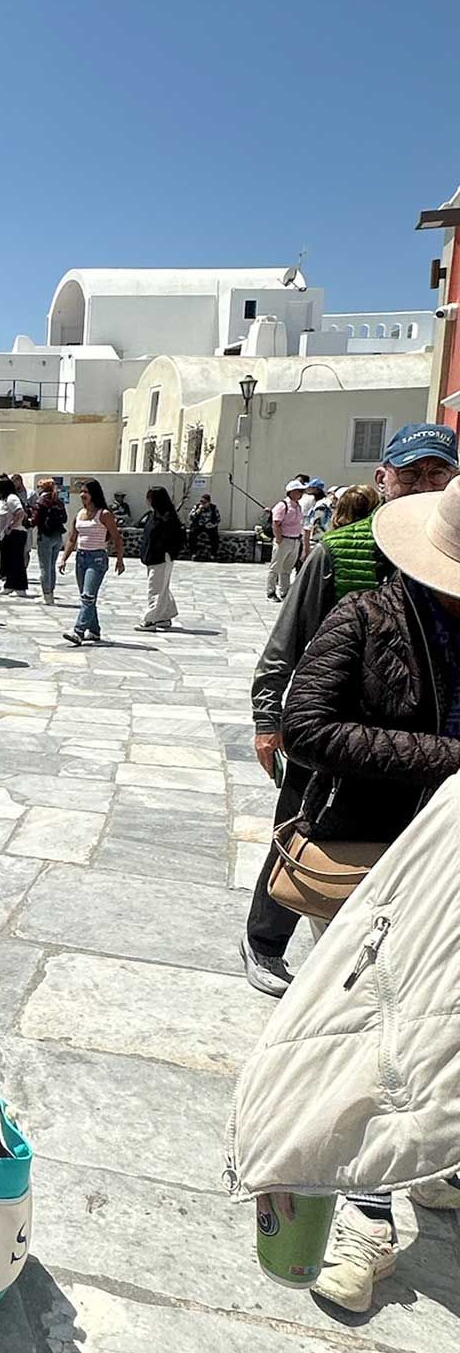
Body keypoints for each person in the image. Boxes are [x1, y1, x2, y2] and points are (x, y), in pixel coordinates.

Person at [280, 474, 460, 1309]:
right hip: (374, 856)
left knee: (442, 1032)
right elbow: (306, 726)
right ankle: (366, 1212)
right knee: (371, 1034)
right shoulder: (366, 617)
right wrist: (443, 758)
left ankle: (427, 1163)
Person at [243, 423, 459, 994]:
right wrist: (269, 721)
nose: (424, 484)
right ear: (382, 478)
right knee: (301, 842)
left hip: (411, 767)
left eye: (438, 472)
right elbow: (286, 646)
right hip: (339, 729)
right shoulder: (342, 552)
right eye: (411, 473)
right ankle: (264, 941)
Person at [59, 479, 125, 645]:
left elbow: (116, 538)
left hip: (97, 559)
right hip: (81, 558)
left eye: (86, 492)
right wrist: (64, 558)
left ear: (94, 494)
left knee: (88, 596)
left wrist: (119, 559)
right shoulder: (79, 514)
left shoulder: (104, 514)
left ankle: (78, 631)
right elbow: (72, 539)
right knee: (87, 597)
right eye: (81, 492)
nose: (83, 495)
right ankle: (94, 631)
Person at [134, 485, 186, 631]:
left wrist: (166, 552)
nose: (148, 501)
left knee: (155, 589)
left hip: (162, 557)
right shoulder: (154, 515)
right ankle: (164, 616)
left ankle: (150, 620)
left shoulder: (167, 517)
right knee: (162, 587)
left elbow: (171, 539)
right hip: (152, 557)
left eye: (150, 497)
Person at [267, 479, 306, 600]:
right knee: (275, 568)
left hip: (295, 540)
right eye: (299, 491)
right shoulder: (282, 505)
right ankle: (271, 592)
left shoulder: (298, 506)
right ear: (291, 492)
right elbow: (276, 523)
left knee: (287, 569)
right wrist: (279, 539)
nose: (301, 494)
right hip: (284, 540)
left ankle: (285, 591)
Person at [32, 477, 68, 605]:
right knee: (51, 566)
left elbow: (35, 519)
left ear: (42, 488)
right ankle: (50, 593)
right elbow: (65, 518)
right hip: (57, 536)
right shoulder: (57, 500)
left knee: (44, 567)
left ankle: (47, 596)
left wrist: (28, 521)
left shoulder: (42, 500)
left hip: (45, 535)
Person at [0, 477, 28, 594]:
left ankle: (19, 587)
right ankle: (10, 585)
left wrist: (10, 527)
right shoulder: (2, 500)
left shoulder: (12, 498)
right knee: (9, 561)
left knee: (16, 561)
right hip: (6, 535)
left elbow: (20, 512)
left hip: (15, 534)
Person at [299, 482, 332, 561]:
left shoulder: (320, 506)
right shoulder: (322, 503)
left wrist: (305, 549)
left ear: (316, 490)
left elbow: (312, 527)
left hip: (316, 543)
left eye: (309, 488)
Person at [187, 492, 221, 562]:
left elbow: (218, 519)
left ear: (208, 502)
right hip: (198, 525)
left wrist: (212, 525)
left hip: (209, 526)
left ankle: (213, 555)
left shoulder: (213, 508)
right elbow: (190, 517)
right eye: (201, 501)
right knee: (192, 534)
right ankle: (193, 554)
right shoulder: (197, 507)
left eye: (204, 502)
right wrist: (198, 511)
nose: (202, 503)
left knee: (214, 537)